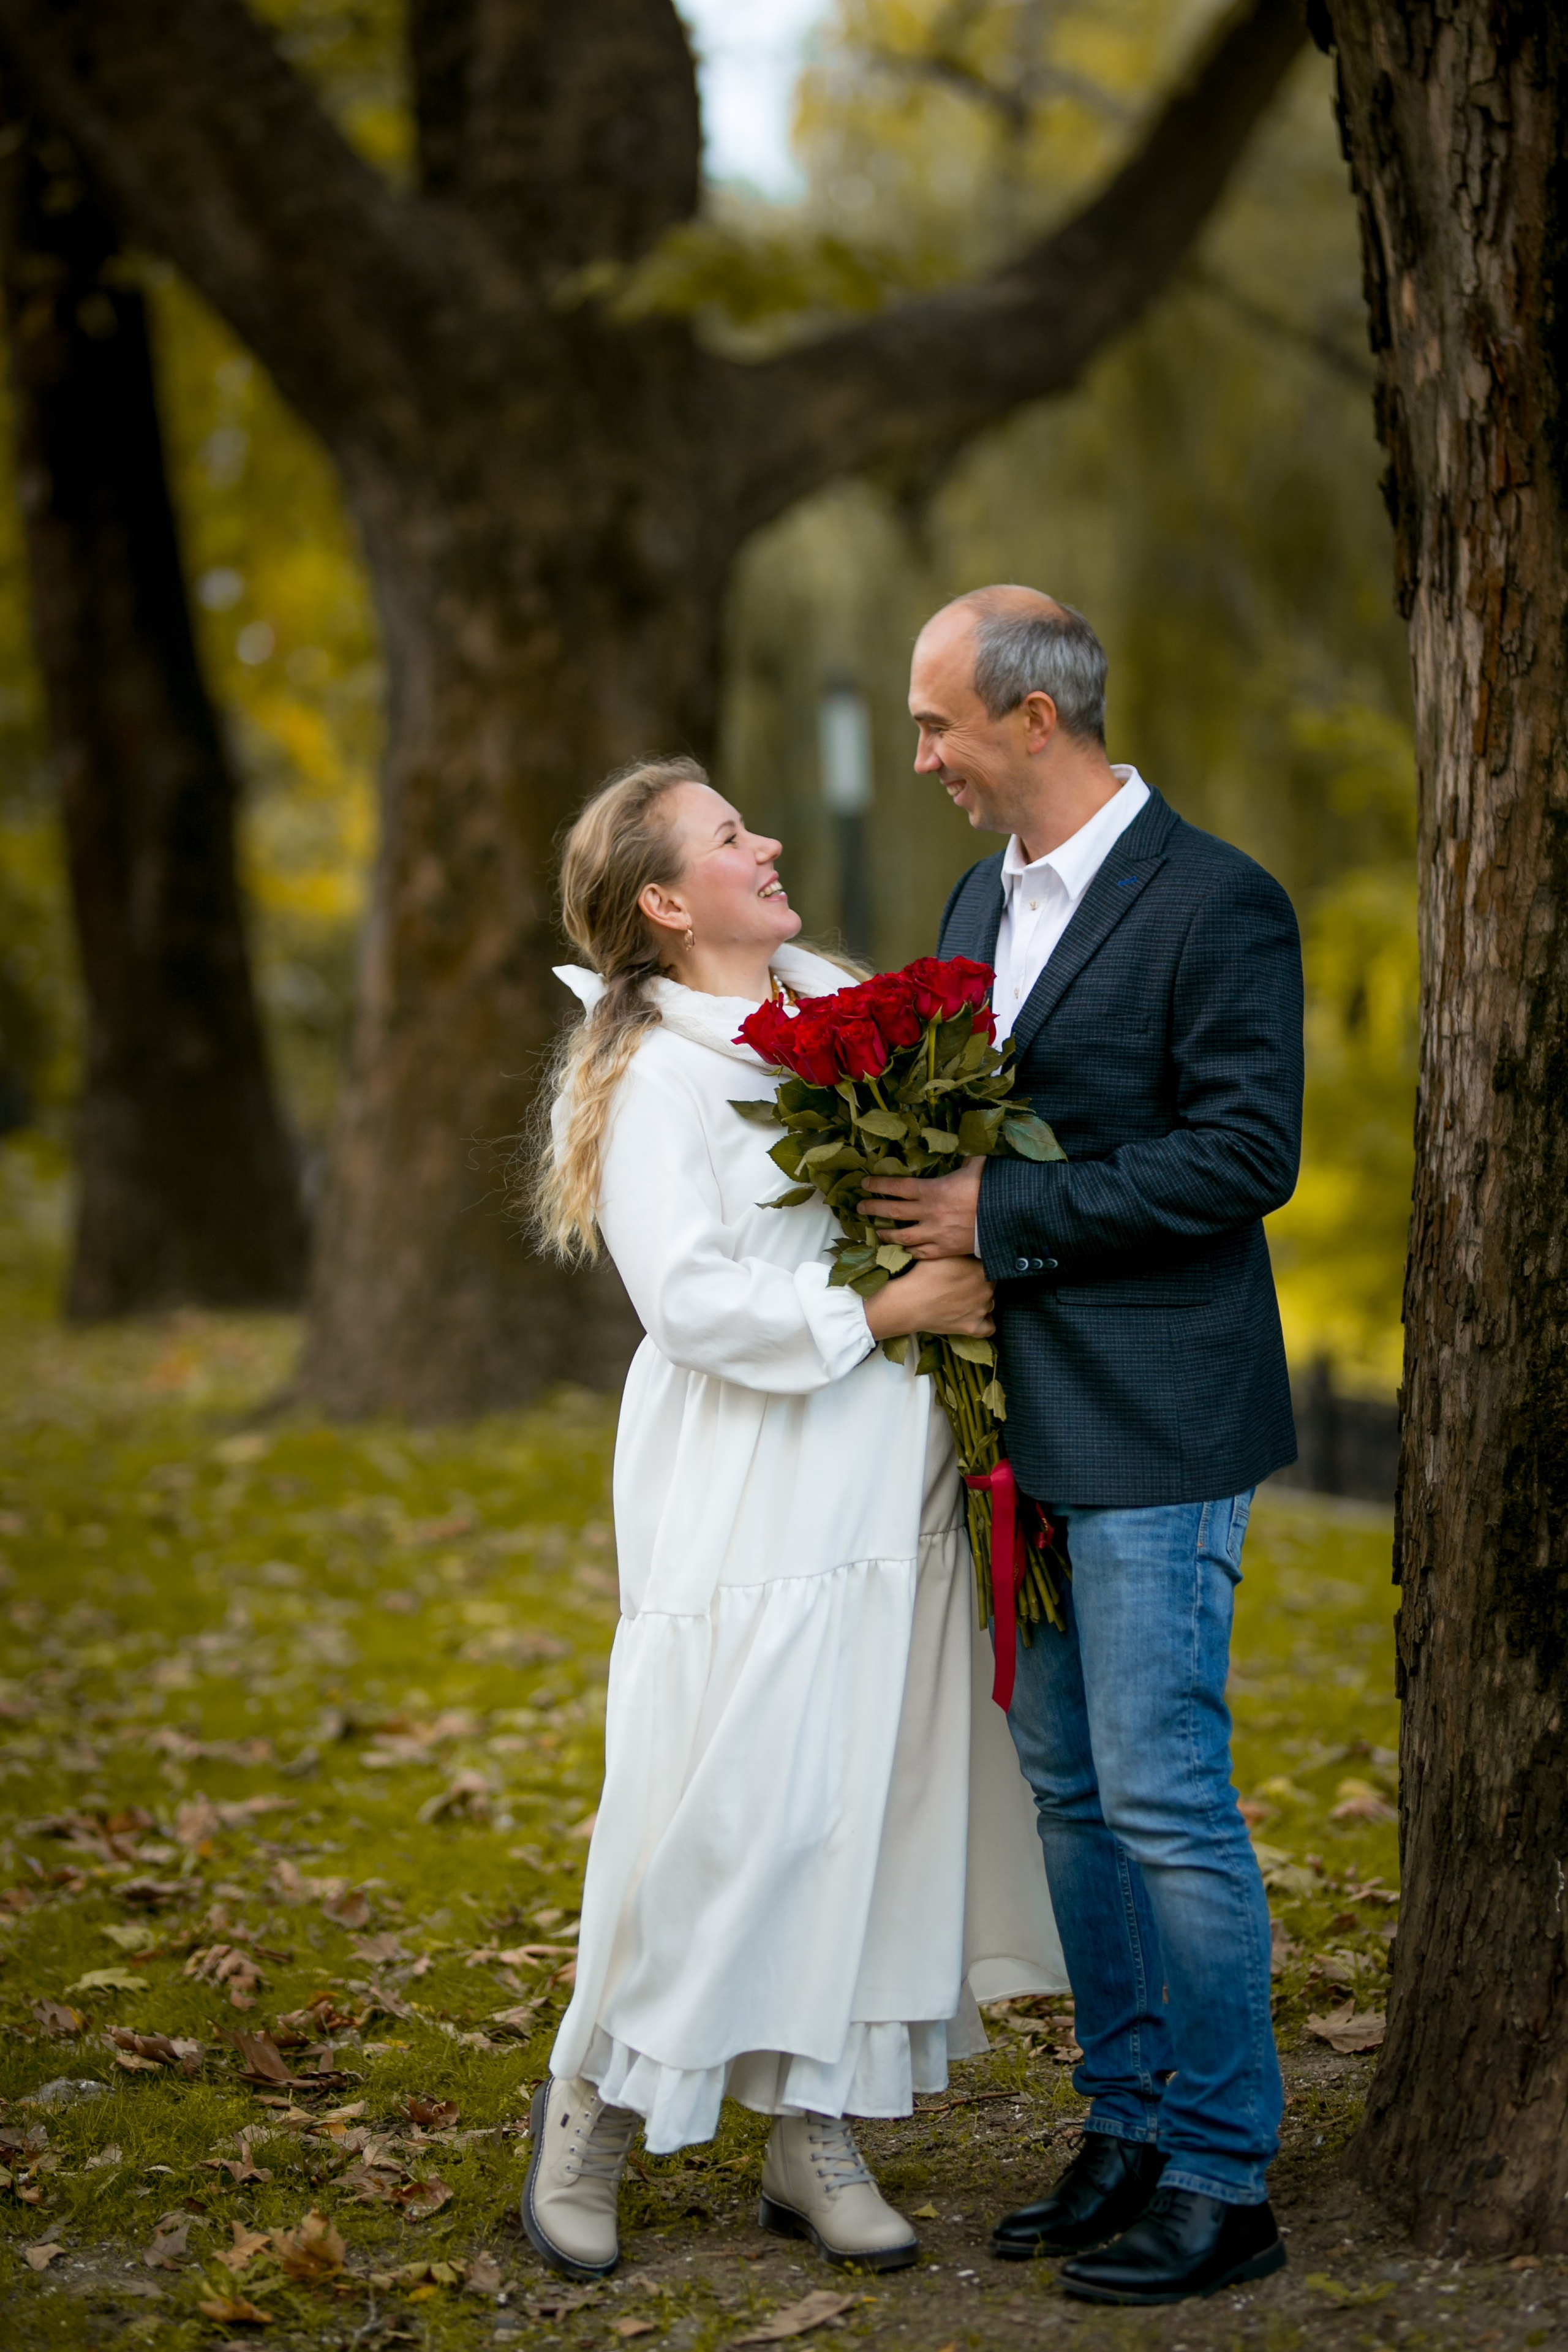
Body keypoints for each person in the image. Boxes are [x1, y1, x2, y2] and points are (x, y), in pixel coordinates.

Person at [522, 755, 1065, 2283]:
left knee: (858, 1796)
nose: (762, 844)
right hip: (751, 1475)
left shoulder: (840, 1007)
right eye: (726, 837)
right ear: (663, 900)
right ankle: (591, 2111)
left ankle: (813, 2121)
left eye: (751, 825)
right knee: (723, 1801)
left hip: (885, 1465)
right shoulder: (643, 1067)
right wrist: (897, 1300)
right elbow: (687, 1297)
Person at [861, 588, 1303, 2309]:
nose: (926, 761)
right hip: (1014, 1413)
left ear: (1034, 719)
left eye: (940, 726)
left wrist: (1005, 1211)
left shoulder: (1219, 901)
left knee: (1169, 1794)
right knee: (1069, 1789)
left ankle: (1225, 2171)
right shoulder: (981, 901)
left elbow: (1244, 1154)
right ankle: (1124, 2123)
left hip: (1165, 1417)